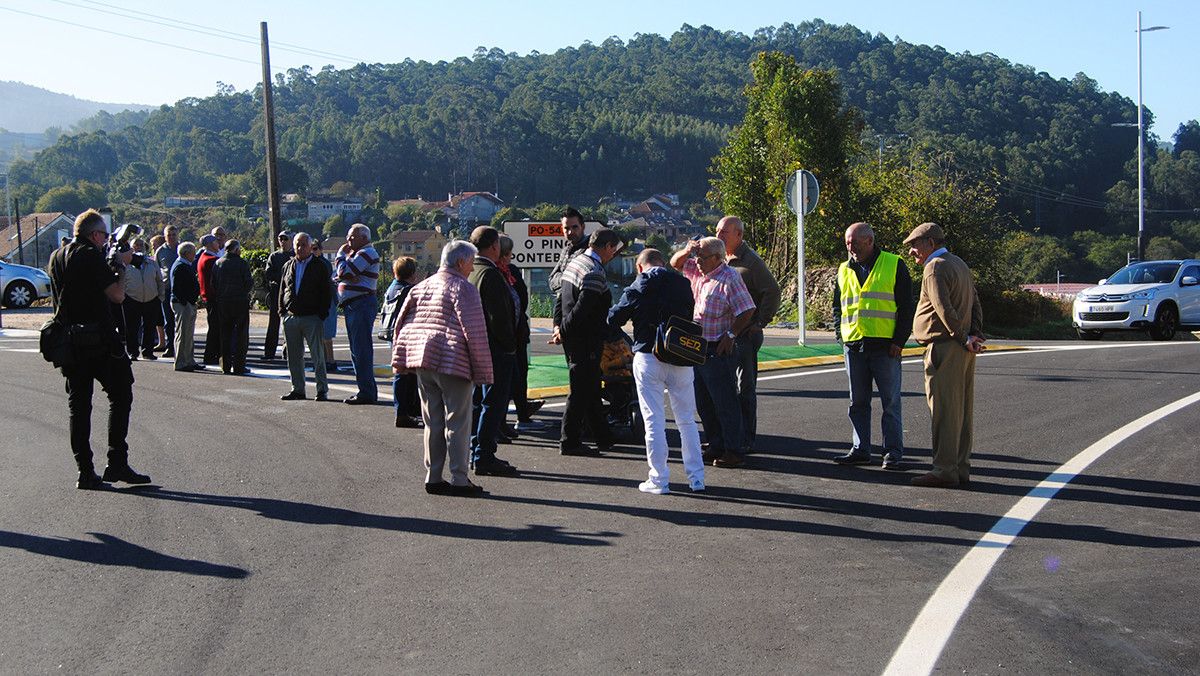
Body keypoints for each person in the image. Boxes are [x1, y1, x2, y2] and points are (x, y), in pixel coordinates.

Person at [46, 209, 151, 489]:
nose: (106, 239)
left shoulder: (58, 255)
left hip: (69, 340)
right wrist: (121, 266)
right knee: (121, 394)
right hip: (98, 339)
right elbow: (116, 296)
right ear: (94, 235)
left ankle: (85, 471)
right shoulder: (91, 255)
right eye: (104, 234)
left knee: (78, 407)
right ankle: (117, 461)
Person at [392, 240, 493, 497]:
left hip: (422, 360)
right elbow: (475, 332)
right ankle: (460, 478)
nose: (472, 268)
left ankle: (433, 475)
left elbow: (401, 323)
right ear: (461, 262)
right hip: (453, 361)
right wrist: (483, 372)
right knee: (458, 422)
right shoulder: (464, 288)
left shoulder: (421, 286)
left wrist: (400, 359)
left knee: (432, 421)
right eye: (470, 263)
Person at [607, 248, 706, 494]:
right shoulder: (683, 283)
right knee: (687, 420)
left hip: (649, 355)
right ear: (662, 262)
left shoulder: (640, 283)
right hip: (681, 355)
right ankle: (697, 478)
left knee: (653, 420)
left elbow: (615, 318)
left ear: (640, 266)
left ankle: (659, 479)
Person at [903, 222, 985, 488]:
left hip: (945, 346)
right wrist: (975, 335)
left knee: (944, 411)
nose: (912, 251)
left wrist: (962, 337)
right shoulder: (959, 264)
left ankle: (944, 470)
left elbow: (943, 309)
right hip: (962, 348)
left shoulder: (934, 267)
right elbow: (975, 302)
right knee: (961, 411)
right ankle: (960, 468)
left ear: (930, 243)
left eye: (915, 244)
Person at [831, 222, 916, 470]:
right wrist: (841, 336)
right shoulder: (844, 269)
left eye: (854, 242)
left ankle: (892, 452)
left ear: (869, 241)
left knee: (890, 402)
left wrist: (899, 341)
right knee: (857, 401)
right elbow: (838, 306)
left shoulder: (893, 263)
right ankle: (860, 449)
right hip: (854, 345)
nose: (850, 247)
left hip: (885, 347)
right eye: (847, 242)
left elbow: (905, 307)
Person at [670, 237, 756, 468]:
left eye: (703, 257)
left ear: (718, 258)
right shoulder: (700, 271)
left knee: (725, 401)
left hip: (716, 347)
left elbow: (747, 310)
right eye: (697, 257)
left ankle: (733, 449)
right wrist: (688, 250)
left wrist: (731, 335)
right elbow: (675, 263)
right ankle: (716, 443)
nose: (697, 261)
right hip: (696, 346)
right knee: (704, 401)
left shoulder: (729, 278)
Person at [715, 215, 781, 453]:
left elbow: (772, 291)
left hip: (744, 335)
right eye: (717, 231)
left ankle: (746, 439)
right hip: (723, 334)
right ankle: (726, 436)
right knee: (723, 386)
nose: (719, 235)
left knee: (745, 388)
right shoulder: (721, 258)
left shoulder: (751, 262)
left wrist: (760, 322)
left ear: (738, 235)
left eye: (724, 232)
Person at [558, 227, 623, 457]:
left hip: (575, 337)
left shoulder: (576, 261)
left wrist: (559, 326)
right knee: (580, 390)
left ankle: (602, 436)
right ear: (606, 247)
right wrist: (563, 331)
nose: (613, 254)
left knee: (591, 387)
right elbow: (583, 309)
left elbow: (561, 299)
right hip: (584, 339)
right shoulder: (594, 271)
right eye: (613, 250)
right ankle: (569, 440)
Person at [467, 226, 520, 476]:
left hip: (478, 346)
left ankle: (476, 449)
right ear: (494, 247)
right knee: (494, 402)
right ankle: (484, 455)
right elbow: (499, 317)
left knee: (479, 401)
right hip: (496, 349)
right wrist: (510, 346)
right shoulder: (490, 274)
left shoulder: (472, 271)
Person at [498, 235, 545, 433]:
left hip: (512, 334)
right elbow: (522, 301)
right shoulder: (508, 273)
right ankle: (520, 416)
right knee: (516, 376)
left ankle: (507, 420)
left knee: (509, 377)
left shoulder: (495, 272)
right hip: (513, 335)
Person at [279, 232, 333, 401]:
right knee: (294, 357)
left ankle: (321, 389)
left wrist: (321, 314)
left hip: (312, 317)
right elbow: (283, 289)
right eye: (297, 245)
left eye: (303, 244)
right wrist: (282, 312)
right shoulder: (288, 265)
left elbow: (326, 292)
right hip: (291, 317)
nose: (300, 248)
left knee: (317, 355)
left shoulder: (320, 266)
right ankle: (298, 389)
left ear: (310, 247)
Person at [335, 223, 381, 404]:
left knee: (361, 349)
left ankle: (367, 392)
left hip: (361, 304)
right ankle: (364, 389)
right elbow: (340, 275)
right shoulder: (356, 255)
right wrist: (345, 273)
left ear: (364, 238)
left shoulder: (366, 253)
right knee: (356, 350)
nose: (348, 241)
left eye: (352, 237)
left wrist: (340, 257)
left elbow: (344, 272)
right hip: (354, 305)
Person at [384, 256, 422, 428]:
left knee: (401, 373)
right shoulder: (410, 290)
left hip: (393, 333)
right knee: (408, 374)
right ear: (412, 273)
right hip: (409, 334)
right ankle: (406, 411)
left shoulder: (392, 288)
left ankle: (403, 410)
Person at [548, 206, 588, 348]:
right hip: (563, 312)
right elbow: (552, 281)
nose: (570, 232)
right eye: (566, 228)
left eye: (575, 227)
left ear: (583, 227)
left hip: (581, 320)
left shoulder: (588, 252)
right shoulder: (566, 249)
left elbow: (578, 286)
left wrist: (565, 280)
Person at [213, 239, 253, 375]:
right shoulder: (242, 263)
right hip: (240, 302)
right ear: (236, 250)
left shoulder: (218, 263)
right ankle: (239, 365)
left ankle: (225, 364)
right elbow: (248, 283)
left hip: (223, 302)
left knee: (225, 334)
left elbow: (213, 283)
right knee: (241, 335)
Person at [121, 237, 163, 362]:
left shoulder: (152, 262)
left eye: (141, 244)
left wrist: (160, 297)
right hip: (132, 299)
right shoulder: (126, 264)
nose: (139, 246)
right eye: (136, 244)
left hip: (151, 299)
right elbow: (121, 281)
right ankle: (132, 352)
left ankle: (148, 352)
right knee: (132, 328)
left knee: (150, 327)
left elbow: (159, 280)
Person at [170, 241, 203, 372]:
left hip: (187, 303)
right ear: (187, 253)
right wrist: (186, 302)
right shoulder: (180, 266)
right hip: (182, 304)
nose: (194, 255)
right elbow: (177, 288)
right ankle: (181, 362)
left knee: (188, 334)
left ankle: (189, 359)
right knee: (182, 334)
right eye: (193, 252)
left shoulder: (185, 265)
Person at [262, 230, 294, 360]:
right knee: (273, 324)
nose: (282, 241)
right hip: (276, 293)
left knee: (291, 324)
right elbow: (268, 273)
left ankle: (289, 352)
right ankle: (269, 353)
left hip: (291, 294)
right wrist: (282, 279)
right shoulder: (274, 256)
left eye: (285, 239)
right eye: (280, 239)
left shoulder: (295, 256)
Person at [312, 238, 340, 373]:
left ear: (320, 250)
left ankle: (331, 360)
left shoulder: (324, 264)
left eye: (315, 248)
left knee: (327, 334)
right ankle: (323, 360)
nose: (313, 251)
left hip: (327, 300)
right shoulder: (312, 263)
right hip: (317, 301)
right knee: (319, 334)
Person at [196, 234, 222, 365]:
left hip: (209, 297)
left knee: (214, 326)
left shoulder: (203, 257)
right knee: (215, 328)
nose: (218, 244)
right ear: (211, 244)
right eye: (216, 242)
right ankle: (212, 354)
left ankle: (212, 354)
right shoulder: (211, 260)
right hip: (214, 297)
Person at [154, 226, 179, 358]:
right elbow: (157, 270)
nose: (172, 237)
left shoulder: (182, 249)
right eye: (169, 235)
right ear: (165, 236)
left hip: (180, 289)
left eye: (174, 234)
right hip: (166, 289)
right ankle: (170, 347)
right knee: (168, 320)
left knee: (181, 321)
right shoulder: (160, 251)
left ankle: (182, 347)